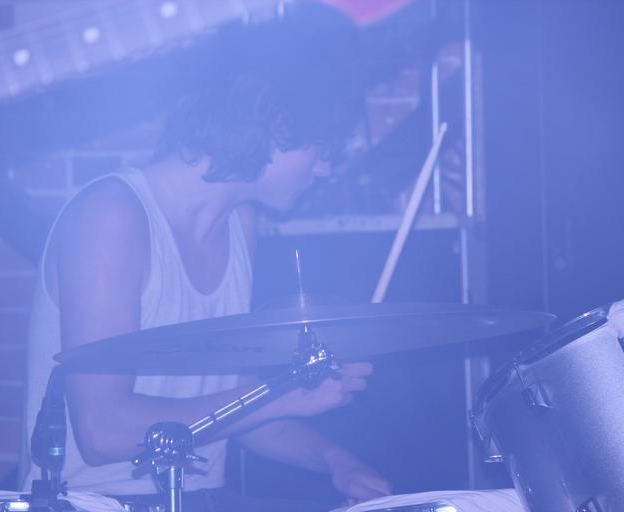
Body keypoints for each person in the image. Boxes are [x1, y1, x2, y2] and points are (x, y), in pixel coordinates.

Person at [20, 7, 391, 511]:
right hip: (96, 502)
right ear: (276, 125)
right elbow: (102, 430)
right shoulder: (112, 214)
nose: (325, 169)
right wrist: (281, 393)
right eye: (322, 148)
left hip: (200, 499)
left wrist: (334, 460)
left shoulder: (239, 224)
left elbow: (232, 410)